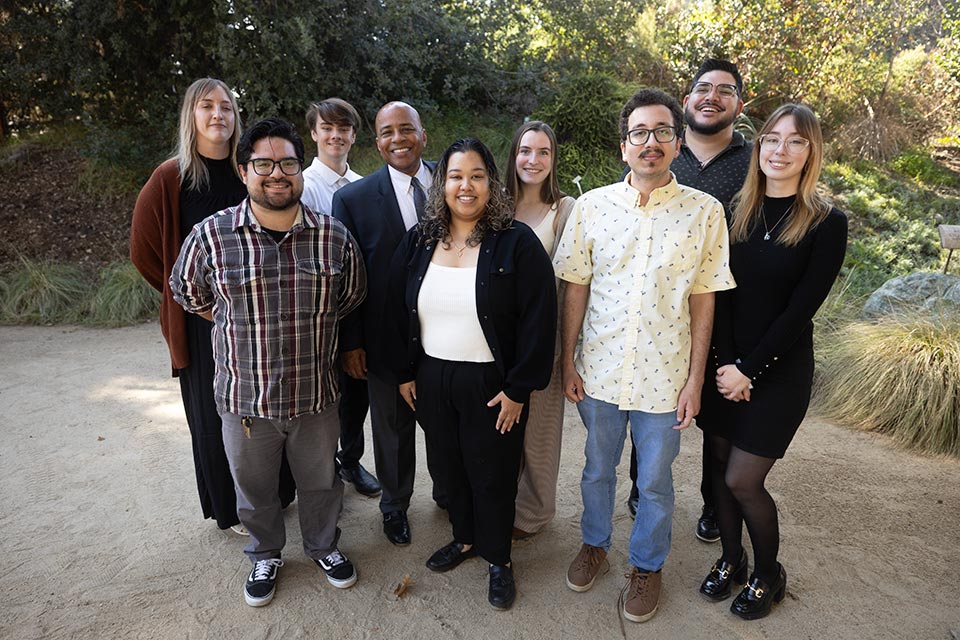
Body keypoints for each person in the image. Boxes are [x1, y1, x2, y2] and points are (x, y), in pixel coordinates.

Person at [169, 117, 367, 607]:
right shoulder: (211, 237)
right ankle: (266, 552)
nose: (276, 173)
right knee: (255, 489)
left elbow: (351, 295)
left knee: (321, 484)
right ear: (244, 171)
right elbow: (186, 290)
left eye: (288, 163)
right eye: (263, 163)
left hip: (315, 395)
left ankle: (323, 547)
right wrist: (229, 318)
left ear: (301, 170)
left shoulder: (334, 237)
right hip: (245, 399)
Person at [554, 88, 734, 623]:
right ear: (623, 145)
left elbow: (705, 299)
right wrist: (567, 361)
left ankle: (647, 566)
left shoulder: (705, 212)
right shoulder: (591, 208)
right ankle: (593, 544)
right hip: (601, 371)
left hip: (666, 376)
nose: (649, 143)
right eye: (639, 133)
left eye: (661, 132)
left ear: (677, 144)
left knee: (654, 481)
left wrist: (696, 380)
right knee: (595, 469)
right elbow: (576, 288)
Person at [388, 138, 556, 609]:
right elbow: (395, 307)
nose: (466, 186)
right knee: (449, 466)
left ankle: (498, 558)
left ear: (491, 183)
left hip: (491, 384)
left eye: (476, 176)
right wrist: (404, 372)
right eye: (456, 176)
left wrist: (519, 389)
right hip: (432, 377)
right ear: (442, 184)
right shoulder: (420, 240)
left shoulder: (516, 242)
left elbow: (538, 321)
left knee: (493, 472)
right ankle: (464, 538)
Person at [696, 104, 847, 620]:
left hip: (778, 371)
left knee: (743, 479)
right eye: (771, 140)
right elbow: (723, 294)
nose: (780, 150)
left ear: (810, 153)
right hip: (727, 364)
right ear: (758, 148)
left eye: (795, 142)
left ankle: (767, 574)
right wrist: (725, 364)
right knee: (716, 465)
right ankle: (731, 559)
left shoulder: (826, 223)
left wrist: (748, 370)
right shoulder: (736, 209)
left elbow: (800, 311)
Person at [129, 78, 296, 536]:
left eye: (226, 105)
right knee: (215, 416)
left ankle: (277, 495)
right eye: (207, 106)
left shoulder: (250, 171)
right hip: (204, 323)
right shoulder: (171, 178)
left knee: (267, 406)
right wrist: (187, 299)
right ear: (192, 116)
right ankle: (234, 509)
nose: (218, 114)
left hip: (258, 316)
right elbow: (144, 251)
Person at [627, 59, 753, 544]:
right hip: (659, 307)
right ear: (686, 103)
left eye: (725, 91)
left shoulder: (753, 161)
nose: (712, 96)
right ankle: (643, 486)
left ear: (738, 106)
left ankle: (711, 502)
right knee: (649, 397)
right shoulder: (660, 152)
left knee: (717, 415)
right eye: (703, 88)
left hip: (726, 306)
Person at [332, 101, 441, 547]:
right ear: (376, 142)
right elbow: (347, 279)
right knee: (392, 430)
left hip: (448, 333)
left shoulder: (455, 179)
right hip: (384, 337)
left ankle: (451, 495)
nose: (397, 139)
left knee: (444, 422)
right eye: (387, 133)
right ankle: (394, 506)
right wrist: (352, 342)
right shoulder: (352, 200)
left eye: (406, 129)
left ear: (422, 134)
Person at [301, 97, 380, 498]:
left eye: (343, 128)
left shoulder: (365, 185)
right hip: (315, 310)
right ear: (314, 133)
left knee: (355, 393)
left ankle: (350, 461)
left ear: (353, 134)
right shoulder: (301, 185)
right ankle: (321, 473)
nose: (336, 135)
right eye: (327, 128)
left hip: (356, 304)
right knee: (318, 398)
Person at [504, 121, 576, 538]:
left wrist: (565, 351)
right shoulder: (495, 205)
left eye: (543, 152)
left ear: (553, 159)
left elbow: (570, 285)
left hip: (542, 339)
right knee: (502, 425)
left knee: (540, 433)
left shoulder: (564, 209)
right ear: (514, 156)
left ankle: (532, 515)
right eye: (526, 151)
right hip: (496, 339)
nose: (534, 160)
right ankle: (499, 500)